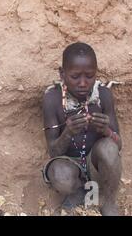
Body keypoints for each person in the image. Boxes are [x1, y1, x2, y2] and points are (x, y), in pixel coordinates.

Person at [41, 42, 122, 216]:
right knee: (59, 174)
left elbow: (118, 145)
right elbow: (54, 151)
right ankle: (78, 191)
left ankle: (109, 201)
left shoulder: (103, 95)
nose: (83, 83)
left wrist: (106, 131)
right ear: (62, 74)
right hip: (69, 163)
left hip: (95, 164)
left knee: (108, 148)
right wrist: (68, 133)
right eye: (75, 76)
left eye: (90, 76)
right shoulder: (52, 99)